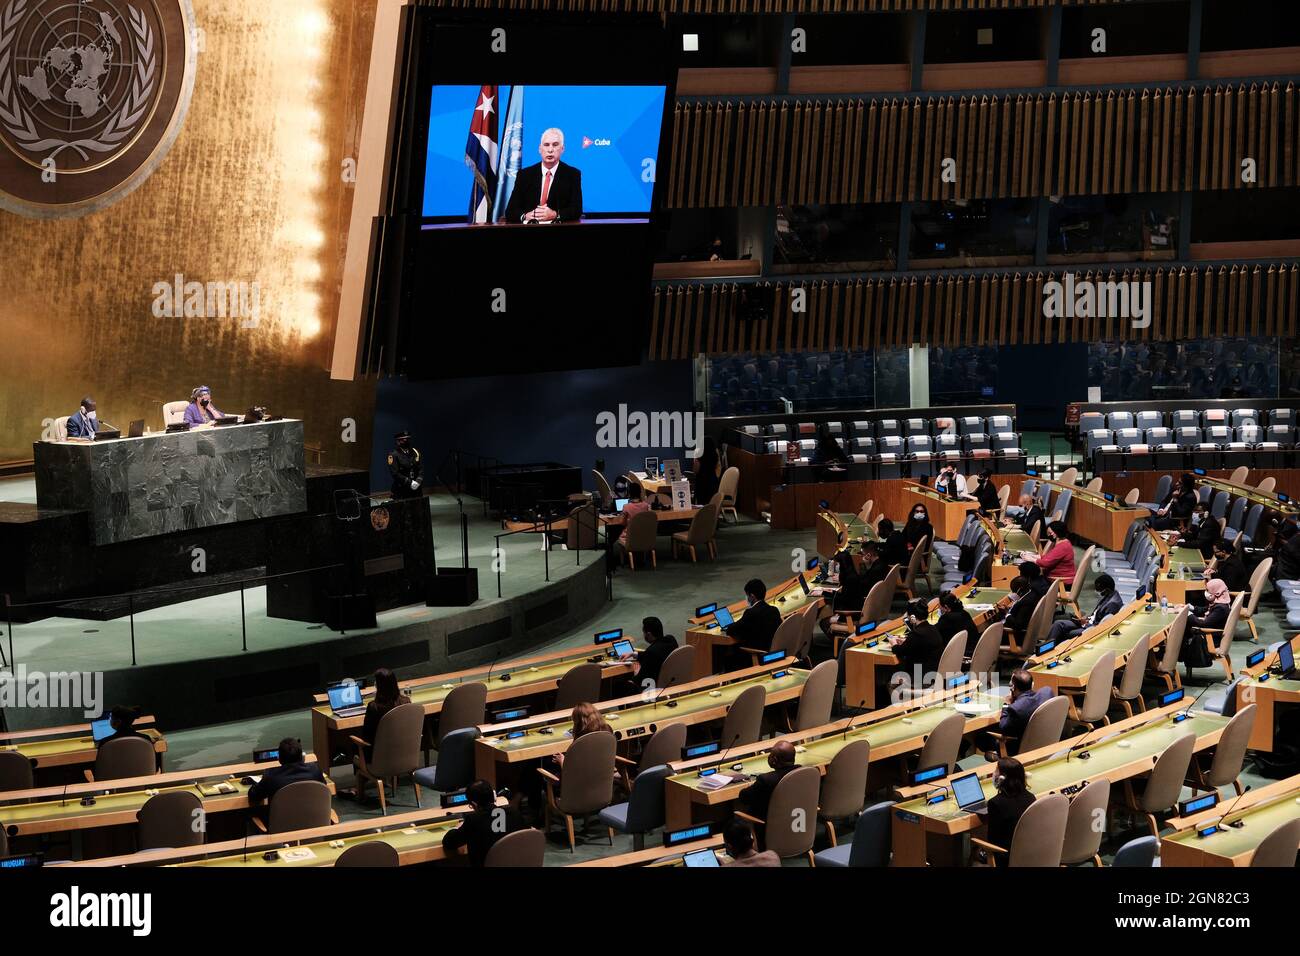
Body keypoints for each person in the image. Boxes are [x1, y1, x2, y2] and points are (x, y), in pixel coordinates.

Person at [503, 128, 583, 224]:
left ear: (562, 149)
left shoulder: (572, 174)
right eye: (546, 145)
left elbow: (576, 210)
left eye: (555, 145)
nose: (550, 150)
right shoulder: (524, 175)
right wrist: (525, 216)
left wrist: (555, 214)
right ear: (540, 149)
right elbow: (510, 211)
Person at [441, 779, 525, 866]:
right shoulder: (515, 813)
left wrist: (457, 827)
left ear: (474, 804)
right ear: (493, 797)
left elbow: (448, 842)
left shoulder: (473, 820)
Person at [977, 671, 1053, 757]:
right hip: (1043, 741)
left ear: (1013, 688)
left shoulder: (1016, 708)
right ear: (1032, 684)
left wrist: (1006, 704)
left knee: (981, 737)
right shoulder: (1047, 692)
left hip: (1017, 748)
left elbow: (1003, 727)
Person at [976, 757, 1035, 864]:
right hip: (1029, 854)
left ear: (1001, 778)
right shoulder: (1031, 797)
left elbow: (993, 842)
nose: (994, 774)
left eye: (996, 770)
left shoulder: (995, 803)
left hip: (1006, 859)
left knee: (977, 853)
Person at [1044, 573, 1124, 646]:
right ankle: (1046, 648)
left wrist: (1085, 624)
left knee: (1067, 632)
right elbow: (1096, 614)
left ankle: (1050, 650)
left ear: (1106, 589)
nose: (1096, 591)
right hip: (1087, 622)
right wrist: (1085, 619)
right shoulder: (1109, 594)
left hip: (1090, 628)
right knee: (1058, 624)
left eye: (1098, 589)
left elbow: (1102, 626)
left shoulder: (1112, 604)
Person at [247, 737, 326, 807]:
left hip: (280, 823)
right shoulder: (315, 770)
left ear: (280, 759)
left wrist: (257, 783)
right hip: (314, 822)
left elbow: (253, 796)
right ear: (302, 756)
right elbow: (324, 789)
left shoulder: (271, 776)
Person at [738, 739, 798, 822]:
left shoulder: (766, 780)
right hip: (797, 822)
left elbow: (744, 797)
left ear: (775, 760)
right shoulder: (806, 772)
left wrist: (752, 786)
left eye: (771, 754)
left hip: (767, 827)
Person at [358, 668, 411, 763]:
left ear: (378, 686)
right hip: (404, 754)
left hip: (379, 758)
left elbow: (366, 735)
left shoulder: (373, 707)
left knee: (356, 745)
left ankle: (364, 775)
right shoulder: (406, 701)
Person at [889, 599, 944, 687]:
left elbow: (899, 651)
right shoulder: (932, 628)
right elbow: (919, 644)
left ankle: (903, 700)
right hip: (934, 672)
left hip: (921, 677)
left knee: (891, 683)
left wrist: (893, 642)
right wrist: (907, 641)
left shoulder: (917, 634)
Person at [724, 578, 781, 662]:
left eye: (747, 595)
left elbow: (731, 630)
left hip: (756, 654)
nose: (746, 598)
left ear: (752, 596)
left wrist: (728, 626)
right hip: (773, 651)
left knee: (729, 651)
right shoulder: (774, 610)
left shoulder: (751, 613)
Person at [1180, 579, 1232, 668]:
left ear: (1217, 592)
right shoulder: (1220, 603)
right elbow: (1205, 609)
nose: (1206, 592)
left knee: (1183, 631)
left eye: (1208, 590)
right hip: (1213, 635)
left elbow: (1204, 624)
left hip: (1212, 639)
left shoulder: (1220, 608)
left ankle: (1175, 655)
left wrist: (1189, 615)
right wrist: (1191, 608)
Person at [620, 616, 678, 689]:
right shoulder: (671, 640)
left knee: (619, 686)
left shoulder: (651, 652)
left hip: (653, 689)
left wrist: (636, 674)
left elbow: (640, 682)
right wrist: (634, 654)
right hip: (672, 681)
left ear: (648, 634)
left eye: (643, 633)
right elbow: (657, 653)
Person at [936, 590, 980, 657]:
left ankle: (917, 668)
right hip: (974, 653)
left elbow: (935, 631)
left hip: (958, 658)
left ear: (946, 607)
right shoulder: (965, 613)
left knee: (918, 659)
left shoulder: (947, 618)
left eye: (939, 606)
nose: (939, 608)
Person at [1000, 576, 1040, 648]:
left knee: (984, 633)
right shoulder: (1032, 594)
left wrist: (1007, 614)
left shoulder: (1026, 603)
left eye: (1014, 590)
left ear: (1020, 588)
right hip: (1028, 632)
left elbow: (1018, 626)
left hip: (1015, 637)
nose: (1013, 592)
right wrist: (1008, 610)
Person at [387, 431, 423, 500]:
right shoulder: (393, 455)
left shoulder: (415, 452)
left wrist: (418, 481)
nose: (406, 441)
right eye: (404, 440)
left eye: (408, 439)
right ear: (398, 442)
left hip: (416, 487)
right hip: (402, 488)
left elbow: (420, 468)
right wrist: (409, 482)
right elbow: (395, 473)